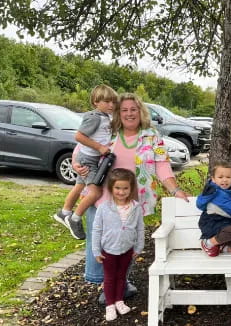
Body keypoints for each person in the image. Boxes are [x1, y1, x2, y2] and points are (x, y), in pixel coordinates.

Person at [72, 93, 189, 298]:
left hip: (133, 201)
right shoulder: (108, 132)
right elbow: (81, 149)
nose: (129, 114)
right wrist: (76, 165)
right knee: (102, 243)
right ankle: (108, 288)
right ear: (118, 113)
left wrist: (175, 189)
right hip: (102, 199)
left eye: (133, 109)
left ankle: (120, 282)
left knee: (127, 244)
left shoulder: (152, 135)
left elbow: (162, 165)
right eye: (124, 110)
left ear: (140, 111)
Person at [54, 84, 118, 240]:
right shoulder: (94, 117)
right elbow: (79, 137)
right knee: (96, 192)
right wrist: (99, 147)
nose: (111, 105)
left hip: (87, 157)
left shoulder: (105, 117)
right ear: (96, 102)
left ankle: (64, 212)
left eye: (113, 102)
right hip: (88, 159)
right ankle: (75, 218)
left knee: (79, 186)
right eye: (107, 102)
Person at [92, 168, 144, 321]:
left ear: (131, 188)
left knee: (122, 276)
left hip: (127, 249)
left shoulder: (136, 207)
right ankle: (109, 305)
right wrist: (96, 250)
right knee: (109, 278)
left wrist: (139, 247)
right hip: (108, 250)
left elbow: (140, 228)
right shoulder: (104, 208)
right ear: (111, 188)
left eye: (125, 188)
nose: (121, 192)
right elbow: (96, 229)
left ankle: (119, 301)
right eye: (117, 188)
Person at [196, 161, 231, 256]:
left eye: (228, 177)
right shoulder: (215, 192)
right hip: (213, 223)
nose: (224, 180)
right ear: (213, 179)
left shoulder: (224, 190)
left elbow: (228, 188)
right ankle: (208, 243)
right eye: (220, 177)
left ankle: (223, 247)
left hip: (225, 225)